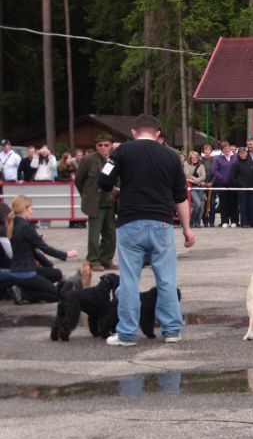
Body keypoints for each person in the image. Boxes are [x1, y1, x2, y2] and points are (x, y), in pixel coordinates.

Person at [97, 114, 195, 345]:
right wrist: (187, 230)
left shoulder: (122, 152)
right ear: (158, 133)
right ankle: (172, 330)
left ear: (133, 132)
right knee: (167, 279)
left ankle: (128, 334)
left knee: (130, 280)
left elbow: (103, 181)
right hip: (162, 223)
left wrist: (117, 191)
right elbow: (181, 198)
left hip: (130, 222)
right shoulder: (171, 157)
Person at [4, 195, 78, 303]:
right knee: (58, 296)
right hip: (26, 274)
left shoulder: (14, 223)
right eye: (31, 208)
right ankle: (24, 294)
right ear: (24, 209)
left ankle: (25, 289)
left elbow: (34, 251)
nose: (32, 211)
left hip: (16, 272)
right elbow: (44, 247)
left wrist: (50, 266)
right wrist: (66, 254)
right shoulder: (26, 228)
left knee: (56, 273)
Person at [74, 134, 117, 270]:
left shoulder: (115, 159)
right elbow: (78, 180)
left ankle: (106, 259)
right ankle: (93, 260)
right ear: (96, 146)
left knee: (110, 234)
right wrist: (86, 195)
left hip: (111, 201)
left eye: (106, 145)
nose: (103, 148)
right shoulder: (88, 160)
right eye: (100, 145)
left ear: (111, 145)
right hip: (95, 203)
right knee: (94, 234)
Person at [231, 146, 253, 227]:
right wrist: (239, 184)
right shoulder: (236, 164)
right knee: (243, 205)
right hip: (242, 189)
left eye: (244, 153)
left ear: (246, 153)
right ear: (238, 154)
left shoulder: (251, 162)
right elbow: (233, 177)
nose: (243, 154)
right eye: (241, 153)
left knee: (252, 205)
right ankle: (244, 222)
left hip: (252, 188)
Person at [183, 151, 207, 228]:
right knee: (198, 204)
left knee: (201, 206)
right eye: (192, 157)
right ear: (190, 158)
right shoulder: (186, 165)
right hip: (191, 187)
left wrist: (196, 180)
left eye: (196, 157)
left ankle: (197, 222)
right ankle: (192, 220)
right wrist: (198, 181)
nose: (194, 159)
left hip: (200, 187)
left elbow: (204, 176)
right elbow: (187, 175)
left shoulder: (201, 166)